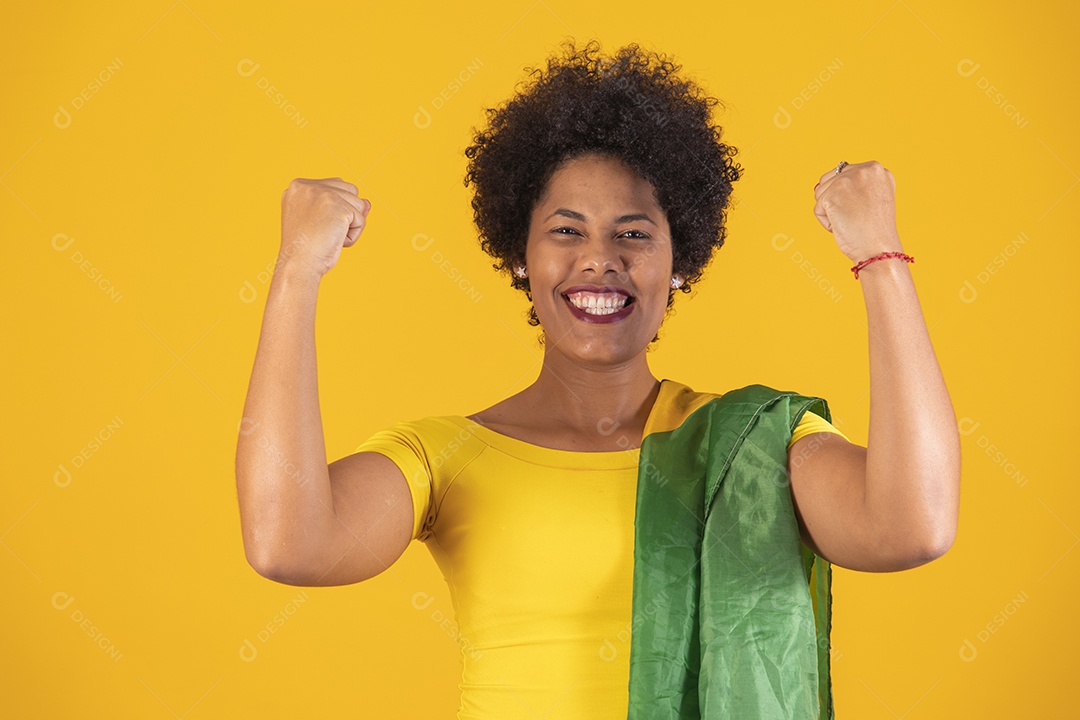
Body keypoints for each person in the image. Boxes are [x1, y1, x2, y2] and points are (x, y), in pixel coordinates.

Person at [235, 40, 961, 720]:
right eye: (566, 230)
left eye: (634, 233)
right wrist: (298, 271)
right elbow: (288, 544)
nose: (599, 259)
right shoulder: (447, 455)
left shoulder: (756, 445)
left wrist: (878, 255)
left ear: (680, 263)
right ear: (520, 256)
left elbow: (911, 527)